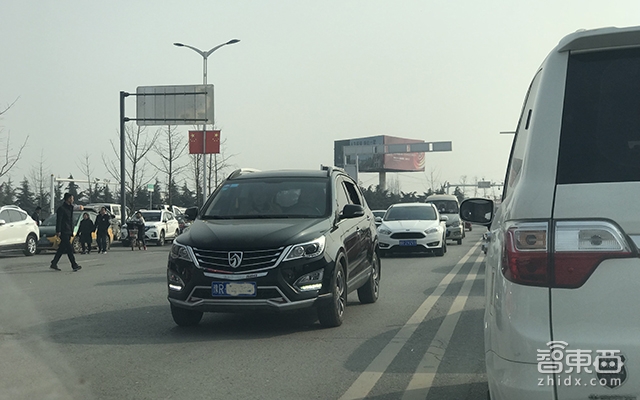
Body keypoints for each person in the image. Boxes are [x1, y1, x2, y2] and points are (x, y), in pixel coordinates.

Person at [50, 193, 83, 272]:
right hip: (63, 231)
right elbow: (59, 220)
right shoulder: (61, 209)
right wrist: (58, 230)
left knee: (62, 248)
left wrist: (72, 230)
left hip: (68, 230)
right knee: (69, 248)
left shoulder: (70, 208)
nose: (73, 200)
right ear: (68, 199)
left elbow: (70, 220)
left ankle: (54, 263)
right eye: (71, 198)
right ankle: (74, 265)